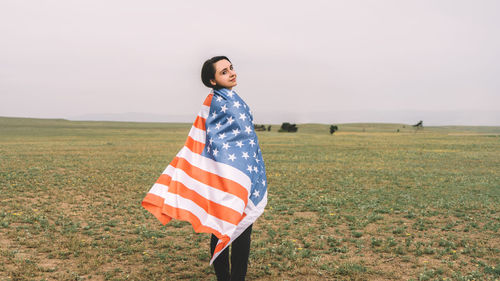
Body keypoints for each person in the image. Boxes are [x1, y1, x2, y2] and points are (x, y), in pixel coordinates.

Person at [201, 56, 256, 281]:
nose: (232, 73)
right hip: (225, 177)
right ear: (213, 81)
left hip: (243, 176)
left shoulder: (235, 100)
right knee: (222, 229)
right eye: (224, 72)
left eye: (231, 68)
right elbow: (215, 140)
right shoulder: (216, 103)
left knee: (243, 230)